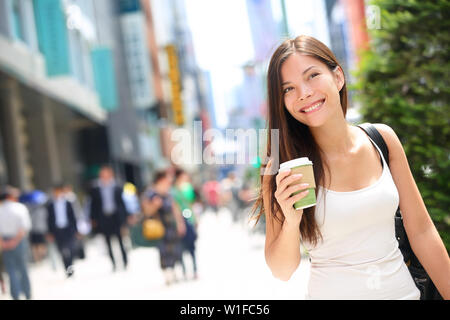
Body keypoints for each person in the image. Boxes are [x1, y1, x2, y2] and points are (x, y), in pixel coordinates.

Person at [251, 35, 450, 300]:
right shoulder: (281, 168)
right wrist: (291, 220)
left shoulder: (382, 140)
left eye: (312, 76)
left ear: (338, 77)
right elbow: (282, 270)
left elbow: (422, 231)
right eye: (288, 89)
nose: (304, 93)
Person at [142, 170, 186, 285]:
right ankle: (167, 274)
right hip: (160, 226)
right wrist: (155, 205)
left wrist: (180, 223)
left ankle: (174, 271)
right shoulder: (151, 193)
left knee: (175, 249)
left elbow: (175, 209)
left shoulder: (168, 193)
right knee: (163, 251)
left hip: (171, 226)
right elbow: (146, 212)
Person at [89, 165, 129, 271]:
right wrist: (93, 219)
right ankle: (114, 263)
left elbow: (122, 204)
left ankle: (125, 262)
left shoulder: (117, 187)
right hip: (104, 218)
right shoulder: (96, 189)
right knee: (108, 242)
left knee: (121, 241)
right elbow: (93, 205)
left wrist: (125, 218)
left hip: (116, 218)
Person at [0, 186, 32, 300]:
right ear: (10, 196)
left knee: (11, 269)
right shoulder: (20, 207)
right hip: (19, 240)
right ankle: (27, 293)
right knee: (23, 268)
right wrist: (15, 241)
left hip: (4, 241)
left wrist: (3, 243)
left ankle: (15, 295)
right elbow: (24, 228)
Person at [46, 183, 79, 277]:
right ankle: (67, 269)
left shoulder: (68, 203)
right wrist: (49, 232)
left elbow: (73, 217)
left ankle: (70, 268)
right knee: (62, 250)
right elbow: (49, 219)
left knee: (70, 249)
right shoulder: (50, 205)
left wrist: (76, 230)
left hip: (68, 230)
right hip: (57, 230)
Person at [172, 168, 199, 280]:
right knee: (181, 246)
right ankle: (184, 271)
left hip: (189, 218)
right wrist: (179, 223)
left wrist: (195, 219)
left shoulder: (188, 188)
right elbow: (175, 207)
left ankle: (194, 270)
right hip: (181, 220)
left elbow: (192, 204)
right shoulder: (173, 191)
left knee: (192, 245)